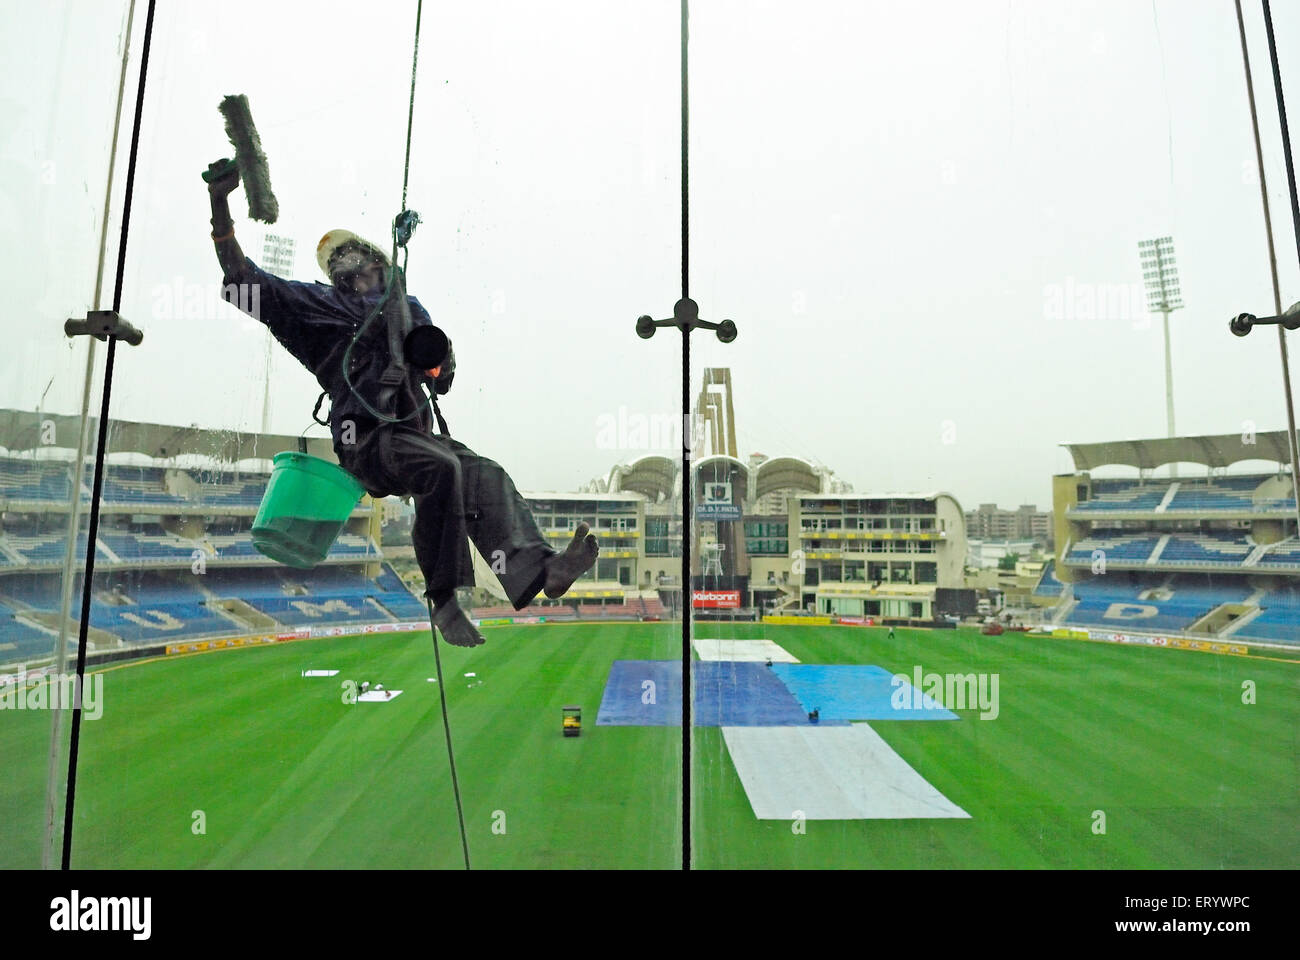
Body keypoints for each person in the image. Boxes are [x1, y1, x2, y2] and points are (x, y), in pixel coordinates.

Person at [206, 165, 598, 647]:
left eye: (359, 254)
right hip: (367, 441)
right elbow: (242, 278)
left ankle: (542, 571)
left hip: (416, 433)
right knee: (440, 468)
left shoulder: (409, 309)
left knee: (485, 474)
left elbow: (442, 376)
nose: (352, 264)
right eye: (340, 260)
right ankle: (443, 599)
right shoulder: (316, 308)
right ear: (335, 275)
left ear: (377, 260)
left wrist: (439, 360)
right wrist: (219, 204)